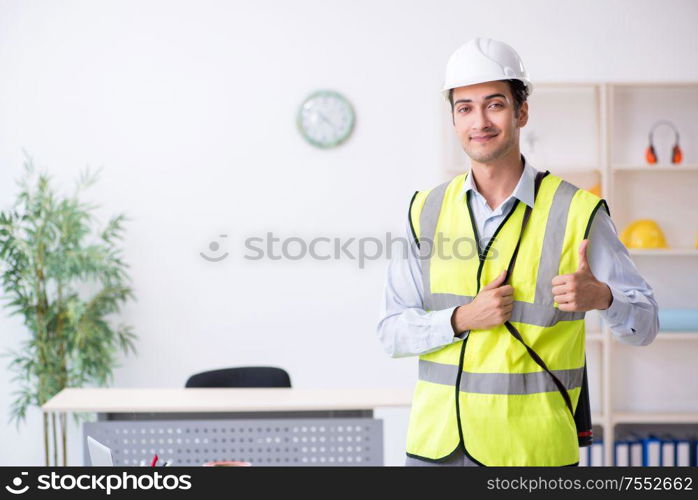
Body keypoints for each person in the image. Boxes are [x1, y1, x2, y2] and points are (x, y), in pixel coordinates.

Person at [376, 37, 659, 467]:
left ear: (521, 111)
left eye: (495, 104)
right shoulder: (425, 210)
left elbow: (646, 325)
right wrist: (461, 319)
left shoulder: (577, 212)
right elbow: (391, 332)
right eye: (465, 107)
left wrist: (603, 298)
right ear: (453, 119)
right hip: (436, 451)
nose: (480, 121)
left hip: (532, 455)